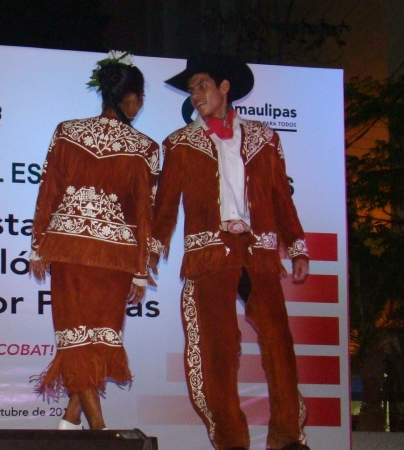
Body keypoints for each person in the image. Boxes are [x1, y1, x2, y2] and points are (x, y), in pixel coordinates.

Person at [150, 54, 311, 450]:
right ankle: (232, 441)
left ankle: (288, 438)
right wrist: (149, 256)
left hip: (259, 251)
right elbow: (165, 206)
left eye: (201, 85)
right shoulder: (180, 143)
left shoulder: (264, 137)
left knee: (279, 343)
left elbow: (280, 197)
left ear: (224, 87)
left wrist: (298, 247)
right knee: (219, 350)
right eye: (191, 89)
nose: (196, 94)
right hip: (209, 254)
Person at [29, 50, 159, 431]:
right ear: (131, 99)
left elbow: (47, 192)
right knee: (97, 341)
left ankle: (71, 422)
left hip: (69, 253)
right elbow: (143, 216)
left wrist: (39, 246)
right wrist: (140, 272)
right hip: (115, 261)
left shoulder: (66, 131)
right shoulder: (146, 149)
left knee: (78, 339)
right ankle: (100, 432)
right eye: (141, 98)